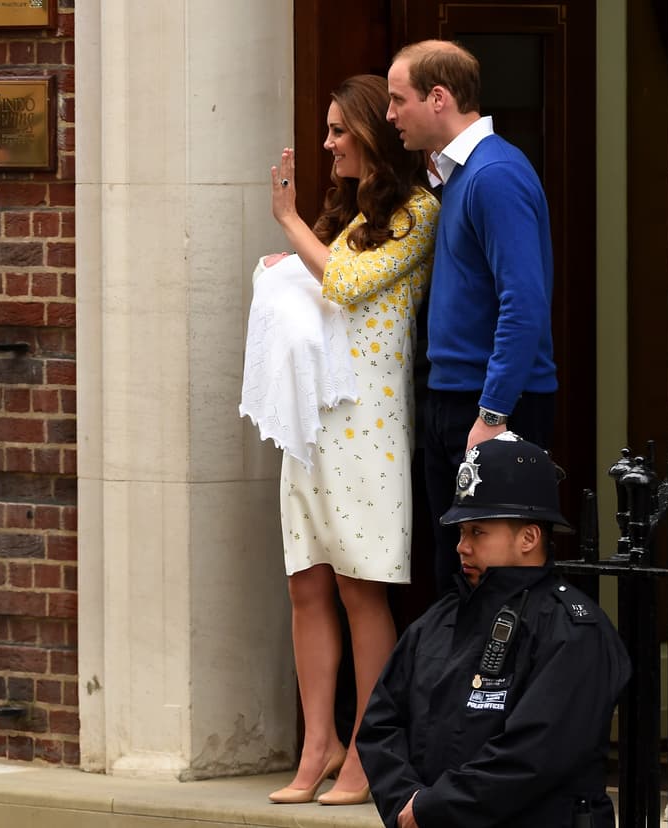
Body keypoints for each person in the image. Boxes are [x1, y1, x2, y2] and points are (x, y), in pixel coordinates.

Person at [264, 74, 439, 806]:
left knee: (359, 589)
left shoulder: (419, 213)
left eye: (340, 130)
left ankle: (369, 751)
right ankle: (318, 747)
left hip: (370, 428)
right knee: (307, 586)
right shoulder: (347, 216)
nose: (328, 142)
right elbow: (324, 286)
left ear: (369, 133)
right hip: (313, 425)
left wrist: (289, 225)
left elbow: (347, 283)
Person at [357, 432, 630, 827]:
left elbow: (535, 754)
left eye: (478, 532)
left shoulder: (573, 629)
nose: (461, 547)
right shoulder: (439, 619)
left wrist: (432, 809)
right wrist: (407, 803)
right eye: (461, 532)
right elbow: (380, 723)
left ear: (529, 537)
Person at [385, 40, 558, 596]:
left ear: (438, 98)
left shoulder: (495, 175)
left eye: (397, 99)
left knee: (495, 579)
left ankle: (501, 687)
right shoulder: (461, 176)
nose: (390, 116)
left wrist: (492, 412)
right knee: (454, 573)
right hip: (453, 399)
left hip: (489, 407)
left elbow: (524, 301)